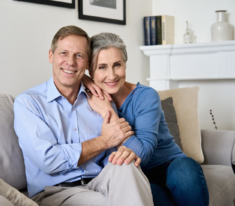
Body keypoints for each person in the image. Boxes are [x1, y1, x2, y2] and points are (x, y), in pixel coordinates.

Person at [13, 25, 154, 206]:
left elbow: (115, 153)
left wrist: (122, 150)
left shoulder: (100, 100)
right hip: (56, 192)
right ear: (51, 56)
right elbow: (49, 160)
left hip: (99, 182)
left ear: (87, 64)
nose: (70, 62)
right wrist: (104, 141)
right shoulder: (29, 103)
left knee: (126, 167)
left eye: (79, 56)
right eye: (63, 53)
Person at [83, 32, 209, 206]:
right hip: (135, 176)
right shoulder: (87, 99)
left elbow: (142, 152)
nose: (111, 76)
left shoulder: (146, 96)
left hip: (169, 166)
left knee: (185, 171)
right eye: (102, 67)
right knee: (140, 192)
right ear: (91, 70)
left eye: (117, 65)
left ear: (125, 65)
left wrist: (108, 112)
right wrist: (83, 79)